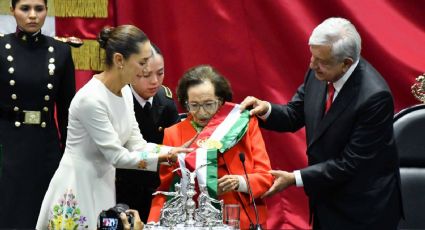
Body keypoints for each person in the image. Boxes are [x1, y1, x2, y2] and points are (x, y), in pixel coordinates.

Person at [240, 17, 403, 229]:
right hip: (325, 199)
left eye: (321, 61)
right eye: (313, 56)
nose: (312, 65)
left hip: (362, 210)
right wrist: (265, 111)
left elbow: (350, 164)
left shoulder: (375, 97)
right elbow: (293, 114)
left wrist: (294, 178)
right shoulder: (321, 71)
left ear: (346, 63)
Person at [36, 25, 192, 229]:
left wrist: (173, 151)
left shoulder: (125, 92)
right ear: (119, 60)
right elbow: (117, 156)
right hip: (78, 184)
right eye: (142, 62)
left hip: (103, 183)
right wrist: (163, 158)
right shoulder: (91, 99)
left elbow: (137, 144)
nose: (146, 69)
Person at [148, 65, 273, 230]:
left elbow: (265, 177)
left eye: (208, 104)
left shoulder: (244, 124)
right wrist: (153, 223)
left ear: (221, 101)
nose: (201, 112)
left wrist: (240, 182)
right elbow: (166, 188)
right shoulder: (173, 134)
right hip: (192, 221)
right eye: (194, 105)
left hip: (240, 217)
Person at [0, 0, 75, 228]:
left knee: (44, 214)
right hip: (8, 146)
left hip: (45, 147)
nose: (32, 15)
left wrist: (69, 153)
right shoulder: (1, 48)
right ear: (12, 10)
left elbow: (66, 111)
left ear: (46, 11)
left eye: (39, 9)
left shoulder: (61, 51)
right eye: (25, 9)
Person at [116, 43, 180, 222]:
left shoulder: (165, 100)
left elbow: (173, 142)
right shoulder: (118, 99)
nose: (155, 81)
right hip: (121, 187)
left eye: (160, 73)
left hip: (155, 187)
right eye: (146, 75)